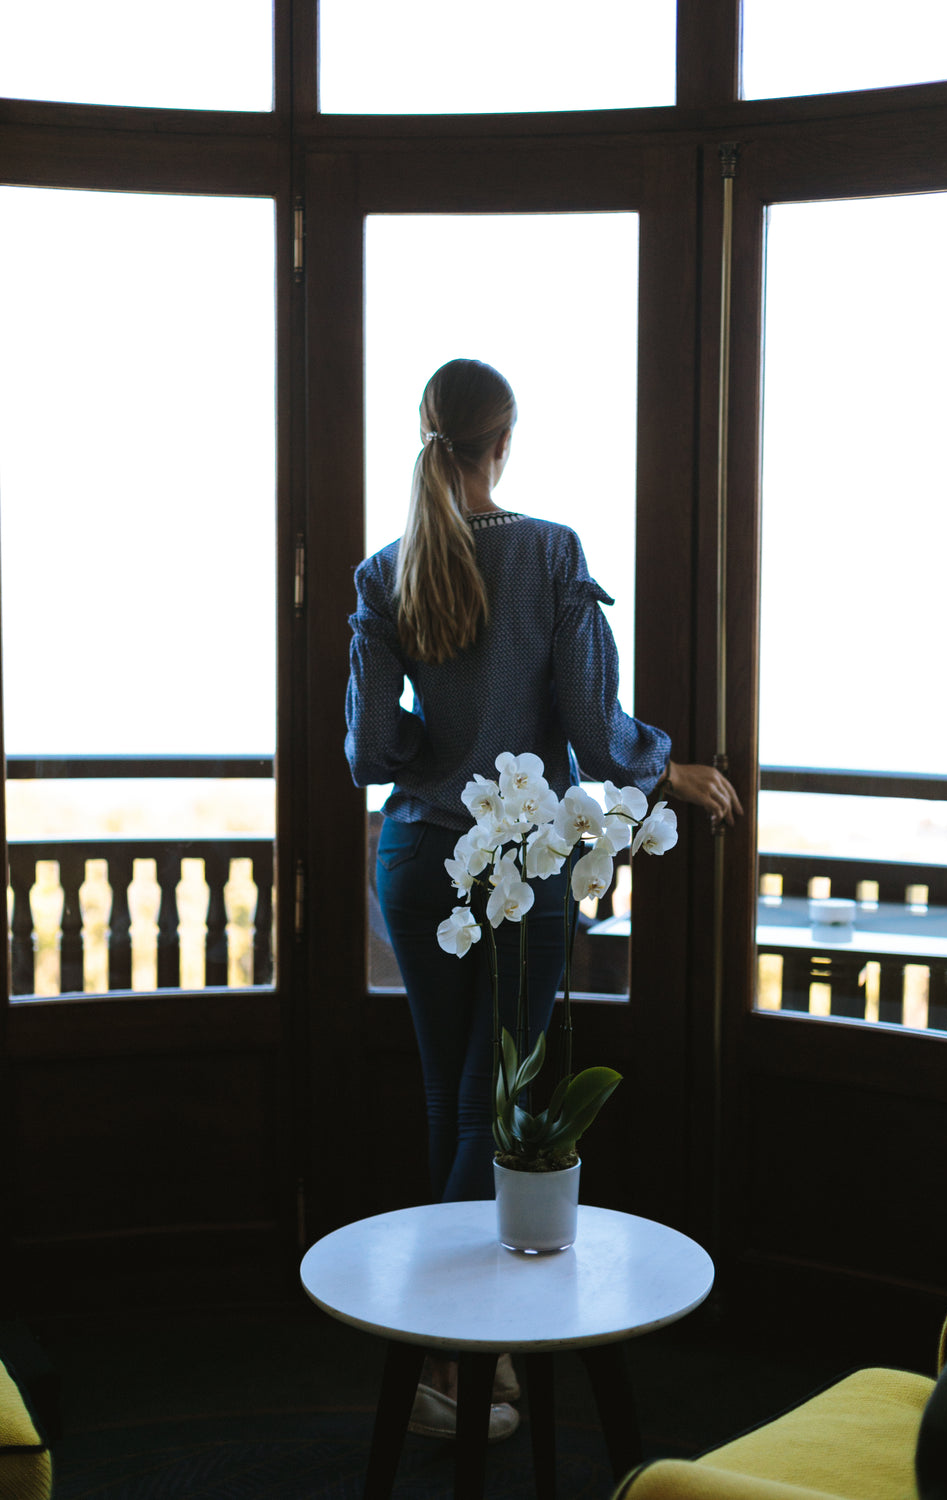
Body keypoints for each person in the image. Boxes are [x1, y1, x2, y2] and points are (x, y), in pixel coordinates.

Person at [345, 357, 741, 1440]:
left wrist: (440, 756)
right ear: (501, 443)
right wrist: (667, 770)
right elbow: (588, 726)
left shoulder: (385, 573)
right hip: (519, 863)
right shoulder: (549, 552)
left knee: (449, 1102)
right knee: (493, 1107)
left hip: (417, 855)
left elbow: (368, 747)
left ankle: (471, 1359)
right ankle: (448, 1350)